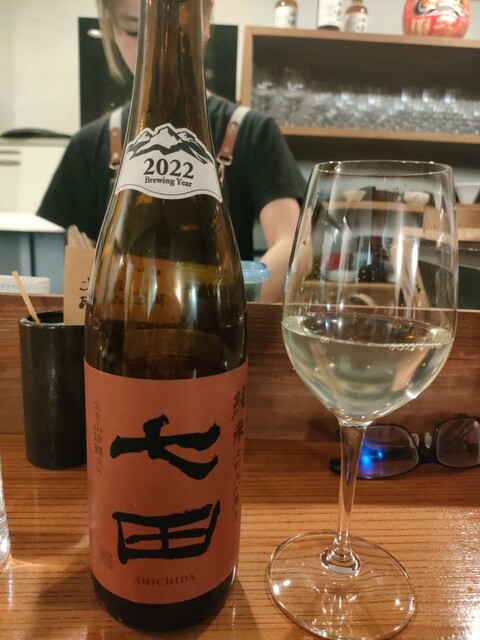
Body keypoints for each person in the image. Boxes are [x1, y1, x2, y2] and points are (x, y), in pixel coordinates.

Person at [37, 0, 306, 302]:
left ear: (205, 20)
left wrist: (221, 306)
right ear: (110, 29)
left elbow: (295, 247)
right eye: (134, 30)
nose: (157, 46)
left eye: (176, 26)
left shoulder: (253, 133)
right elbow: (80, 266)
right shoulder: (87, 147)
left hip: (214, 324)